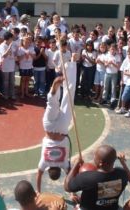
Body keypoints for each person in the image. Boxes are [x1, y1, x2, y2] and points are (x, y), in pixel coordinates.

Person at [36, 58, 76, 193]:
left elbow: (71, 176)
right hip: (49, 128)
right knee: (52, 104)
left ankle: (71, 63)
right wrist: (38, 192)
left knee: (68, 99)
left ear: (59, 170)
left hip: (62, 129)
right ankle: (55, 87)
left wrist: (73, 193)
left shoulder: (64, 164)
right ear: (49, 170)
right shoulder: (44, 164)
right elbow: (39, 175)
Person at [64, 145, 128, 210]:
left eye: (95, 156)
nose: (93, 157)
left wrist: (76, 164)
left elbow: (67, 187)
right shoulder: (122, 174)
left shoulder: (87, 177)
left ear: (100, 163)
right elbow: (105, 190)